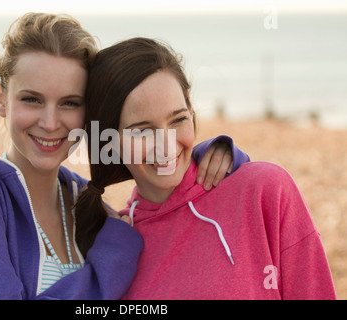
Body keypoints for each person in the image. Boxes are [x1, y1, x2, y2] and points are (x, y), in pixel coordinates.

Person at [0, 13, 248, 300]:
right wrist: (111, 257)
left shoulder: (86, 200)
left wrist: (210, 156)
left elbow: (169, 201)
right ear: (1, 98)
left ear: (91, 114)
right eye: (32, 99)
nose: (50, 122)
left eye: (70, 103)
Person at [75, 37, 337, 299]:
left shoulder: (265, 190)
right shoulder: (115, 249)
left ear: (190, 106)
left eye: (178, 119)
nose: (166, 148)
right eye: (143, 130)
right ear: (108, 140)